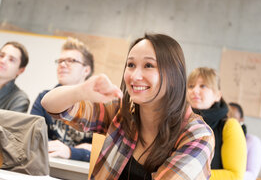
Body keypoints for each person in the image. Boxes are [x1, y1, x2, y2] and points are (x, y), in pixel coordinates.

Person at [41, 33, 215, 179]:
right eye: (131, 65)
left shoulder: (197, 136)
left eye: (148, 65)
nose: (135, 75)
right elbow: (50, 104)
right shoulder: (121, 112)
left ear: (173, 75)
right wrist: (81, 91)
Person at [31, 37, 94, 162]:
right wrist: (79, 150)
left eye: (71, 60)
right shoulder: (44, 98)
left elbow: (103, 152)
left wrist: (70, 152)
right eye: (60, 61)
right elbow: (33, 138)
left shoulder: (99, 107)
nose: (63, 64)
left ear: (86, 70)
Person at [186, 67, 247, 180]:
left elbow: (235, 176)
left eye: (203, 86)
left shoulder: (229, 126)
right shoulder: (177, 121)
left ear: (217, 95)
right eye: (191, 86)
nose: (195, 90)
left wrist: (187, 175)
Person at [228, 102, 261, 180]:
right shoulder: (216, 137)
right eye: (226, 117)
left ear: (241, 120)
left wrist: (227, 176)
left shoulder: (253, 141)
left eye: (233, 117)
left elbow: (252, 175)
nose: (229, 120)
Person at [0, 41, 29, 113]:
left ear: (21, 70)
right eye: (1, 55)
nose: (2, 61)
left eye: (11, 60)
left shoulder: (20, 100)